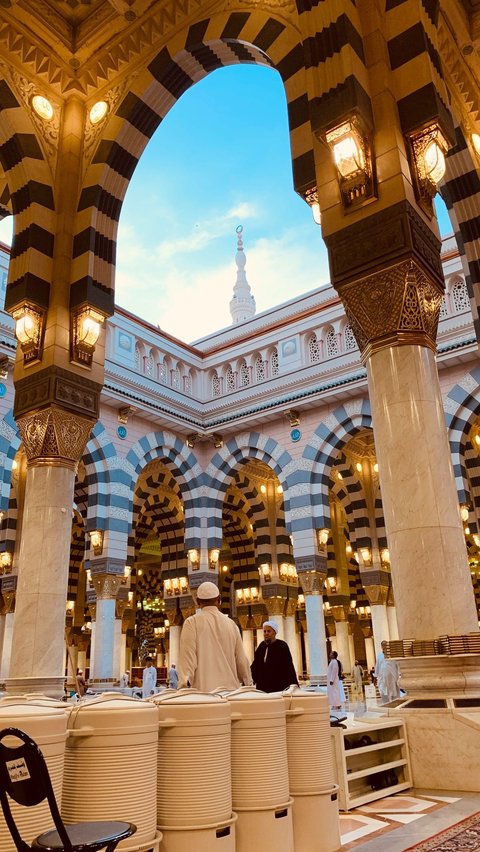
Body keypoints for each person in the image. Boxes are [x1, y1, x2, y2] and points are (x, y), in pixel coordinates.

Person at [179, 581, 252, 692]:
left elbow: (188, 660)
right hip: (231, 695)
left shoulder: (192, 623)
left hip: (204, 696)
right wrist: (248, 684)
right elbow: (241, 661)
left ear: (198, 601)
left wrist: (184, 687)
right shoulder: (231, 624)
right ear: (219, 599)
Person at [250, 620, 299, 692]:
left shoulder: (282, 645)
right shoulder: (261, 646)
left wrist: (294, 685)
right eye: (264, 631)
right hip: (262, 686)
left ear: (274, 632)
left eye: (269, 631)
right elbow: (255, 665)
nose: (266, 633)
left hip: (278, 686)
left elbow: (289, 666)